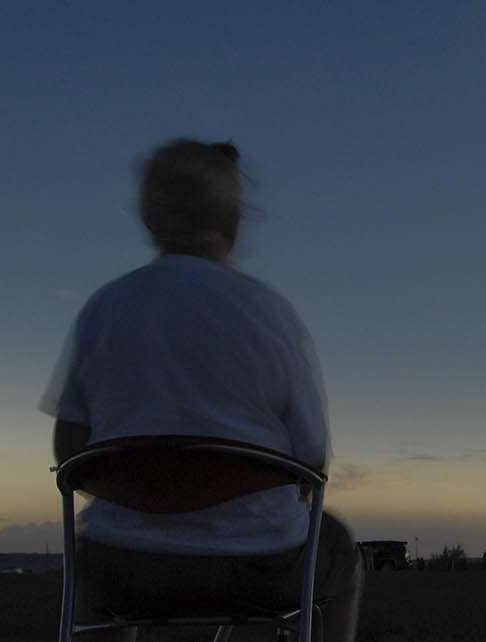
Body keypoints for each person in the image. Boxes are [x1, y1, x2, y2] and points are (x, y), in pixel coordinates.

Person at [40, 139, 361, 641]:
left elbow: (69, 454)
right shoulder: (274, 316)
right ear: (232, 222)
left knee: (94, 568)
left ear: (150, 218)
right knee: (339, 547)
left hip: (121, 572)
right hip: (260, 570)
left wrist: (150, 495)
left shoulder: (103, 310)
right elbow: (314, 458)